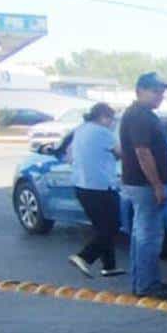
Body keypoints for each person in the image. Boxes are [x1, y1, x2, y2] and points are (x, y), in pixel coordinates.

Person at [119, 72, 167, 302]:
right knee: (149, 236)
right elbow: (143, 152)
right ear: (140, 90)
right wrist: (157, 185)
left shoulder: (140, 114)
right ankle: (147, 285)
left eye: (162, 92)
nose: (160, 96)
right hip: (144, 185)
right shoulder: (140, 117)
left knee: (141, 234)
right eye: (155, 91)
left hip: (138, 183)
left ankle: (143, 282)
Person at [68, 102, 125, 279]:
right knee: (112, 227)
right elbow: (121, 152)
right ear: (103, 117)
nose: (112, 123)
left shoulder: (81, 130)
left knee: (102, 227)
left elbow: (70, 155)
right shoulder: (102, 132)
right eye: (111, 119)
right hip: (101, 187)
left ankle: (109, 266)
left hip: (81, 186)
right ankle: (84, 257)